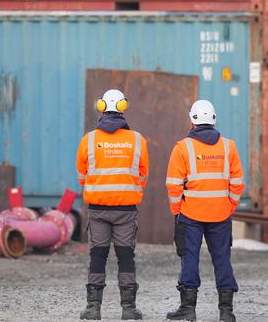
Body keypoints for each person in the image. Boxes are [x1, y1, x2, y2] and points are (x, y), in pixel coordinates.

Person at [165, 100, 244, 322]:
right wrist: (230, 206)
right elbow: (237, 182)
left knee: (190, 258)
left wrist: (177, 211)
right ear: (214, 119)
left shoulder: (182, 148)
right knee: (222, 259)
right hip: (221, 214)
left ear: (192, 120)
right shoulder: (229, 147)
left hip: (190, 214)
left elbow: (173, 185)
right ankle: (226, 312)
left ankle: (188, 309)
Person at [76, 89, 149, 320]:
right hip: (126, 210)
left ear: (101, 107)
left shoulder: (89, 140)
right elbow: (143, 175)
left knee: (97, 256)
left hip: (98, 210)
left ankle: (93, 308)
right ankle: (128, 309)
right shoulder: (137, 140)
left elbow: (82, 176)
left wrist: (99, 188)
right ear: (123, 108)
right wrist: (128, 190)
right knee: (126, 256)